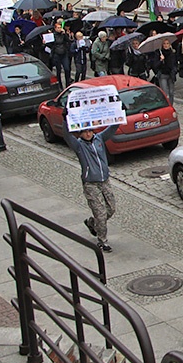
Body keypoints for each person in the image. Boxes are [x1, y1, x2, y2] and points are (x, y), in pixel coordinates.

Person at [63, 113, 120, 252]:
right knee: (100, 212)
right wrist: (65, 119)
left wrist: (119, 112)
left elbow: (113, 128)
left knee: (111, 209)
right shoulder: (79, 146)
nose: (88, 134)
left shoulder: (99, 138)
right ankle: (102, 241)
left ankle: (92, 223)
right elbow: (67, 135)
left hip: (104, 180)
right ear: (80, 133)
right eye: (84, 132)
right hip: (91, 183)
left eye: (89, 131)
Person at [154, 38, 178, 106]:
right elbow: (155, 65)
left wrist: (175, 70)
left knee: (171, 92)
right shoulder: (159, 53)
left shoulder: (172, 53)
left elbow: (175, 64)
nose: (166, 45)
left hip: (171, 74)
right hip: (162, 74)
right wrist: (161, 60)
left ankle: (171, 105)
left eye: (167, 43)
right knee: (165, 92)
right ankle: (165, 106)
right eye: (164, 44)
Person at [51, 21, 71, 87]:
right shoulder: (53, 35)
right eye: (58, 28)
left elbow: (68, 41)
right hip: (57, 54)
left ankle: (68, 83)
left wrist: (65, 34)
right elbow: (51, 44)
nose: (59, 29)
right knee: (58, 70)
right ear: (55, 29)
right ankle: (60, 85)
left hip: (64, 53)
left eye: (60, 27)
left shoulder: (63, 35)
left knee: (67, 68)